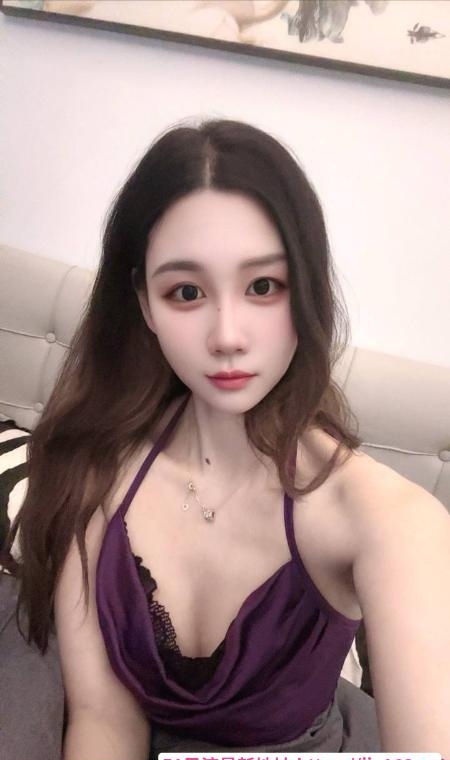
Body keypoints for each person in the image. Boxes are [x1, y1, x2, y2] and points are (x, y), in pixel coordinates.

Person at [5, 118, 450, 759]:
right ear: (145, 303)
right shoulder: (95, 465)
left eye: (263, 286)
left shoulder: (390, 521)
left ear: (307, 289)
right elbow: (105, 718)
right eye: (186, 292)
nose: (227, 336)